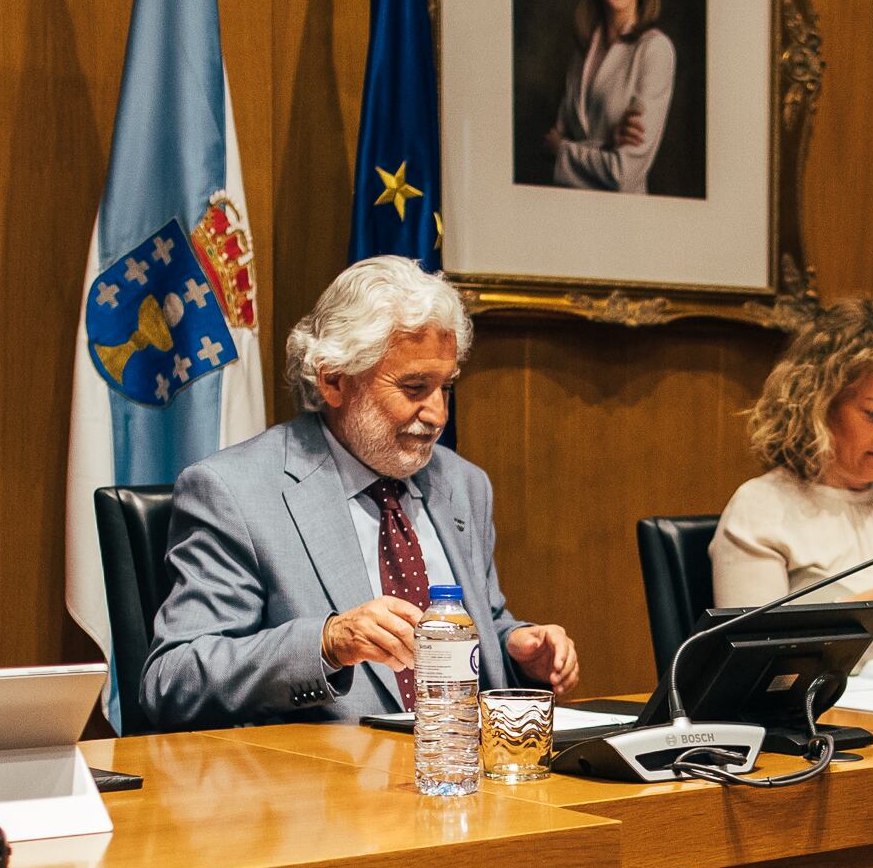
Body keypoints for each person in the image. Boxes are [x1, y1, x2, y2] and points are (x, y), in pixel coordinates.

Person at [140, 255, 577, 728]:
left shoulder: (463, 484)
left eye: (445, 388)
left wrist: (518, 648)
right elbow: (173, 678)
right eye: (414, 387)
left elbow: (482, 623)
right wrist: (327, 643)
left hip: (467, 769)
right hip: (328, 787)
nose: (437, 414)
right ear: (333, 379)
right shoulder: (235, 493)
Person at [710, 297, 873, 672]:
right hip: (814, 718)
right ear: (817, 406)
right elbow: (750, 655)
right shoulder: (763, 505)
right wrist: (858, 622)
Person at [545, 0, 676, 194]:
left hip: (626, 229)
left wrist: (562, 151)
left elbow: (623, 172)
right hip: (571, 221)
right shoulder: (583, 51)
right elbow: (549, 146)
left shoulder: (654, 51)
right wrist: (605, 145)